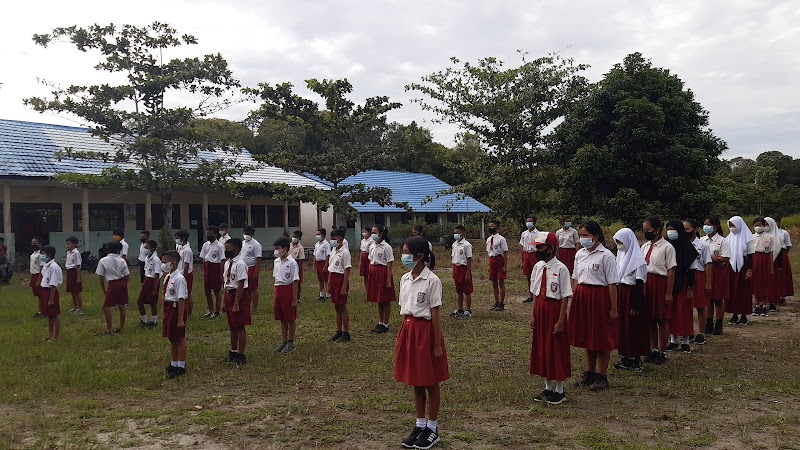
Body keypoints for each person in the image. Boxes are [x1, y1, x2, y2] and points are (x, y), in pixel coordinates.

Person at [394, 236, 448, 450]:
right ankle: (419, 425)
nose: (404, 256)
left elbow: (435, 314)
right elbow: (404, 310)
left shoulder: (432, 280)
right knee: (415, 381)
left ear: (419, 256)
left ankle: (433, 429)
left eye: (407, 252)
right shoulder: (405, 279)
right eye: (403, 251)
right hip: (409, 331)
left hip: (426, 332)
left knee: (431, 382)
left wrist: (436, 345)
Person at [569, 221, 619, 391]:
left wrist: (613, 308)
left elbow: (612, 284)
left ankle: (602, 375)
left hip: (599, 298)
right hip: (582, 297)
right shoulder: (579, 254)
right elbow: (576, 278)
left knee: (601, 337)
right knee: (587, 335)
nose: (583, 239)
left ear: (596, 237)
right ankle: (589, 372)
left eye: (585, 235)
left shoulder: (606, 256)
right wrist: (574, 297)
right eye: (581, 235)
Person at [529, 232, 572, 405]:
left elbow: (564, 297)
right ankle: (547, 387)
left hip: (554, 310)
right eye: (537, 247)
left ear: (551, 248)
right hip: (540, 309)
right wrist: (533, 314)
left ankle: (560, 390)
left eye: (541, 247)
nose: (537, 250)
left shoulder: (561, 268)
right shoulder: (538, 267)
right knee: (542, 346)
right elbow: (535, 294)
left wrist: (561, 321)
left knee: (556, 347)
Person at [612, 228, 649, 373]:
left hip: (632, 295)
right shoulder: (620, 255)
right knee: (623, 326)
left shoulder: (638, 260)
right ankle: (626, 356)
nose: (619, 244)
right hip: (621, 293)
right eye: (617, 242)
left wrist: (635, 304)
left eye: (621, 241)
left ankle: (636, 359)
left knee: (634, 327)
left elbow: (639, 283)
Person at [641, 217, 676, 365]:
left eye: (648, 230)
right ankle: (652, 349)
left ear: (657, 230)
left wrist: (668, 292)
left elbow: (671, 270)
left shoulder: (667, 247)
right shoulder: (644, 246)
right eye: (644, 230)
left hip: (660, 283)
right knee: (650, 318)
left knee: (661, 318)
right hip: (646, 283)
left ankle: (663, 350)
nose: (645, 232)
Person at [665, 219, 699, 354]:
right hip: (669, 283)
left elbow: (692, 268)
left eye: (673, 229)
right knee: (671, 311)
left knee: (683, 311)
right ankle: (673, 340)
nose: (670, 232)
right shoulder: (666, 245)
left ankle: (685, 341)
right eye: (668, 229)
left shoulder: (687, 246)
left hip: (683, 282)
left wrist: (690, 287)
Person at [222, 238, 252, 364]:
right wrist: (224, 302)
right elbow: (226, 283)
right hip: (229, 294)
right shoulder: (228, 263)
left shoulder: (240, 264)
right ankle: (233, 352)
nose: (225, 250)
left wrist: (236, 304)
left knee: (239, 326)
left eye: (227, 248)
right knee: (232, 326)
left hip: (238, 296)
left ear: (236, 249)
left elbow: (240, 284)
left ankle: (241, 354)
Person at [684, 219, 712, 347]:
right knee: (686, 306)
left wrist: (708, 282)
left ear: (695, 229)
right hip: (685, 276)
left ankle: (701, 333)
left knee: (700, 306)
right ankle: (688, 331)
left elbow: (707, 264)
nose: (685, 232)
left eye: (687, 229)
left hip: (699, 275)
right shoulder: (681, 244)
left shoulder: (703, 245)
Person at [161, 250, 188, 378]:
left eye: (165, 262)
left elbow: (181, 299)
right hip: (168, 308)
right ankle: (173, 363)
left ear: (173, 262)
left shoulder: (179, 278)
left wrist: (180, 319)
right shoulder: (168, 276)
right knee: (171, 337)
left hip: (176, 308)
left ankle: (181, 366)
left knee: (179, 337)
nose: (163, 264)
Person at [701, 217, 730, 335]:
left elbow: (725, 258)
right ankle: (708, 324)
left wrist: (713, 258)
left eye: (708, 225)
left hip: (718, 271)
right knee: (708, 300)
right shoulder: (702, 240)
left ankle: (719, 324)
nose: (706, 227)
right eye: (704, 224)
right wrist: (715, 258)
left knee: (718, 299)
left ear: (716, 227)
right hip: (705, 271)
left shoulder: (723, 241)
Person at [272, 236, 300, 354]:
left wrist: (294, 298)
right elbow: (276, 278)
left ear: (284, 248)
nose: (276, 251)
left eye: (278, 248)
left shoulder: (292, 262)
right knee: (282, 318)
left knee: (290, 318)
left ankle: (291, 342)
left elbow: (294, 281)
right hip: (278, 289)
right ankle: (284, 340)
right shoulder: (276, 261)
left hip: (287, 290)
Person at [96, 241, 130, 334]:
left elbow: (101, 276)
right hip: (122, 282)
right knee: (121, 305)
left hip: (112, 283)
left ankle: (109, 328)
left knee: (106, 306)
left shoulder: (103, 260)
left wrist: (103, 289)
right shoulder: (122, 260)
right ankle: (122, 327)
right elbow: (127, 275)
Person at [726, 216, 755, 325]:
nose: (732, 228)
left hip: (744, 266)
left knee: (743, 290)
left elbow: (751, 255)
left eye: (734, 225)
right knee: (732, 290)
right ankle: (734, 314)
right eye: (730, 225)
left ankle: (743, 315)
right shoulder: (728, 238)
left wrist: (750, 269)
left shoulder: (748, 238)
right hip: (731, 266)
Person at [367, 225, 396, 333]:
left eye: (375, 232)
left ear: (381, 233)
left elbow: (389, 264)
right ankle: (380, 322)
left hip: (382, 273)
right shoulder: (372, 245)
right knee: (378, 299)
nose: (372, 234)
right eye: (372, 232)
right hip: (374, 273)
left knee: (385, 299)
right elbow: (371, 260)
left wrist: (388, 280)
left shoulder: (386, 247)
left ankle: (385, 324)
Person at [327, 228, 352, 343]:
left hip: (341, 279)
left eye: (334, 239)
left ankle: (346, 333)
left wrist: (344, 286)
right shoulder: (333, 251)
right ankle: (338, 331)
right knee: (336, 306)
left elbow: (347, 270)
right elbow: (331, 268)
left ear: (340, 239)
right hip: (333, 278)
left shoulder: (345, 253)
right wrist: (328, 283)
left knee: (342, 306)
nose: (332, 241)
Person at [199, 225, 225, 319]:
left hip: (216, 268)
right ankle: (210, 311)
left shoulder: (220, 246)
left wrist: (221, 274)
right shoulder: (205, 245)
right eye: (207, 233)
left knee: (217, 291)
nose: (208, 235)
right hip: (208, 268)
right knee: (207, 291)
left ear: (215, 234)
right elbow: (203, 258)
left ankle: (217, 311)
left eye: (210, 233)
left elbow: (222, 260)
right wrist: (204, 270)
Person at [750, 217, 774, 317]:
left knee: (765, 282)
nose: (757, 227)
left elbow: (771, 253)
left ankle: (765, 305)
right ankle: (757, 305)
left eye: (759, 225)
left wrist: (771, 267)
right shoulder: (751, 237)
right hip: (755, 258)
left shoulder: (769, 237)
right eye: (755, 225)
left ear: (764, 225)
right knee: (755, 282)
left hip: (765, 259)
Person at [38, 245, 62, 342]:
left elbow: (53, 284)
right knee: (49, 315)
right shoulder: (46, 266)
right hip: (45, 290)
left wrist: (51, 299)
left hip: (50, 292)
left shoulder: (54, 267)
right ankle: (50, 334)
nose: (41, 256)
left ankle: (56, 336)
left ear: (49, 254)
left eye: (43, 254)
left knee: (55, 314)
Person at [136, 239, 162, 327]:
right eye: (144, 247)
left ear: (152, 249)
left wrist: (155, 288)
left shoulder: (156, 260)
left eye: (146, 248)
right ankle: (144, 320)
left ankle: (154, 321)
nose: (144, 249)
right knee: (140, 301)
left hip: (153, 281)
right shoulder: (147, 258)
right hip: (147, 280)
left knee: (152, 302)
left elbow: (157, 274)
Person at [450, 225, 474, 318]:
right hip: (456, 268)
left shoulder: (467, 245)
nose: (455, 235)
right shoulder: (454, 244)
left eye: (457, 233)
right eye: (454, 233)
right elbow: (454, 258)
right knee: (459, 290)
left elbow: (469, 259)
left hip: (464, 268)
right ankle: (460, 309)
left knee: (466, 290)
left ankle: (468, 310)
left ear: (462, 233)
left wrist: (468, 272)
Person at [487, 220, 509, 311]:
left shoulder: (501, 239)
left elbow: (505, 252)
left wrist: (505, 266)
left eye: (491, 227)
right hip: (492, 260)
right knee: (494, 282)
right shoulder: (488, 239)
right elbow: (489, 252)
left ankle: (501, 302)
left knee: (501, 282)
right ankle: (496, 301)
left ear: (497, 228)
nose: (490, 228)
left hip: (499, 260)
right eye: (489, 226)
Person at [241, 225, 263, 314]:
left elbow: (258, 259)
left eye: (248, 234)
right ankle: (246, 306)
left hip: (252, 267)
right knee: (244, 288)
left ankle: (254, 308)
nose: (246, 235)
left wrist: (256, 273)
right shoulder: (242, 243)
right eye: (245, 233)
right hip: (243, 268)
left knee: (253, 288)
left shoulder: (256, 245)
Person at [773, 214, 793, 305]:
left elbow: (788, 245)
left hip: (781, 253)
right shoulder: (768, 233)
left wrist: (783, 255)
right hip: (772, 254)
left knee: (782, 276)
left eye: (777, 221)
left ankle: (782, 296)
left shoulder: (784, 233)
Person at [764, 217, 783, 313]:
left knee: (772, 282)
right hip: (764, 262)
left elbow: (780, 252)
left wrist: (779, 266)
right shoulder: (761, 236)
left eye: (767, 224)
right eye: (764, 224)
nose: (765, 227)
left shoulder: (777, 237)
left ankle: (772, 302)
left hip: (773, 262)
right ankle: (763, 302)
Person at [175, 230, 194, 317]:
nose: (176, 240)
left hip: (186, 274)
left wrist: (184, 277)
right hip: (179, 273)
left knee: (187, 294)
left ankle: (188, 313)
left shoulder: (187, 250)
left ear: (183, 239)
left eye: (177, 238)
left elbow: (186, 265)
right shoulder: (180, 247)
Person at [519, 216, 539, 304]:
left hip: (535, 255)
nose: (528, 223)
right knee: (528, 276)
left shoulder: (538, 234)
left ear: (534, 223)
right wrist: (522, 260)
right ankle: (531, 295)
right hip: (526, 254)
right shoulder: (524, 234)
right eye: (527, 221)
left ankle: (537, 294)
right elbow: (522, 247)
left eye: (530, 221)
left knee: (537, 276)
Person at [65, 236, 84, 315]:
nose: (67, 245)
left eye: (69, 243)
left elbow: (78, 265)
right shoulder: (68, 253)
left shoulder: (76, 253)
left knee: (77, 290)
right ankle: (75, 307)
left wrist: (78, 277)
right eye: (66, 244)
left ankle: (80, 308)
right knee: (72, 290)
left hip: (74, 272)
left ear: (74, 244)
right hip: (69, 271)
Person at [314, 228, 331, 302]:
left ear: (323, 235)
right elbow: (315, 255)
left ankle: (328, 294)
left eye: (319, 234)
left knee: (326, 279)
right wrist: (314, 265)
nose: (317, 236)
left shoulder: (326, 244)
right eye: (316, 234)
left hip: (323, 262)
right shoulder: (317, 244)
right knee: (320, 279)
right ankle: (321, 294)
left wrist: (326, 266)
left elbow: (328, 255)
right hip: (318, 262)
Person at [288, 230, 305, 303]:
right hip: (288, 264)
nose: (294, 238)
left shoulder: (300, 248)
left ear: (299, 238)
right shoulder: (289, 245)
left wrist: (297, 268)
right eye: (293, 236)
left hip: (296, 264)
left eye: (296, 237)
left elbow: (301, 259)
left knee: (297, 282)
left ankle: (298, 297)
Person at [30, 237, 44, 318]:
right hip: (34, 275)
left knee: (42, 294)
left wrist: (39, 279)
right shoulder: (33, 254)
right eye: (32, 243)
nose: (33, 245)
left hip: (39, 275)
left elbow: (43, 267)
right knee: (38, 295)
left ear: (40, 244)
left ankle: (44, 311)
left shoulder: (42, 254)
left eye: (34, 243)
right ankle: (40, 311)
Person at [359, 226, 372, 291]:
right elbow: (362, 250)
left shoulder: (371, 240)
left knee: (370, 273)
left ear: (369, 233)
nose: (364, 233)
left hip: (369, 256)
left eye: (365, 232)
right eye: (363, 232)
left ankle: (371, 288)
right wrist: (360, 260)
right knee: (365, 274)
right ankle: (366, 289)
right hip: (364, 256)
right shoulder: (362, 241)